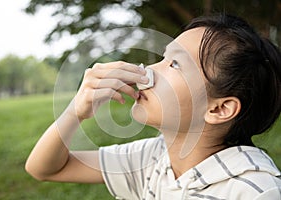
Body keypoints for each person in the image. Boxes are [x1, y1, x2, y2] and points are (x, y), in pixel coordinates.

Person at [25, 14, 281, 199]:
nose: (147, 70)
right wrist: (75, 111)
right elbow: (44, 168)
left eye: (175, 65)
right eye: (163, 58)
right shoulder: (152, 158)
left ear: (218, 109)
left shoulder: (255, 191)